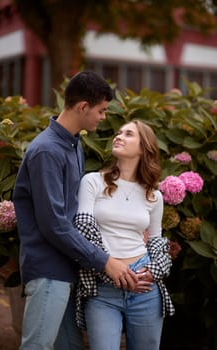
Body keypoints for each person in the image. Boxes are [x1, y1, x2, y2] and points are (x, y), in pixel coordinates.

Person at [13, 71, 139, 350]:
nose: (104, 117)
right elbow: (54, 224)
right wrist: (104, 261)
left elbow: (77, 213)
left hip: (67, 269)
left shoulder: (73, 145)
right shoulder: (47, 151)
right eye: (102, 110)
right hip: (48, 271)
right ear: (83, 107)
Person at [74, 120, 175, 350]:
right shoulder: (93, 182)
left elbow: (157, 243)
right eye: (118, 133)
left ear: (143, 148)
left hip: (144, 287)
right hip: (102, 287)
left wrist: (153, 271)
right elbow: (84, 231)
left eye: (128, 134)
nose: (119, 136)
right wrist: (112, 271)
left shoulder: (154, 196)